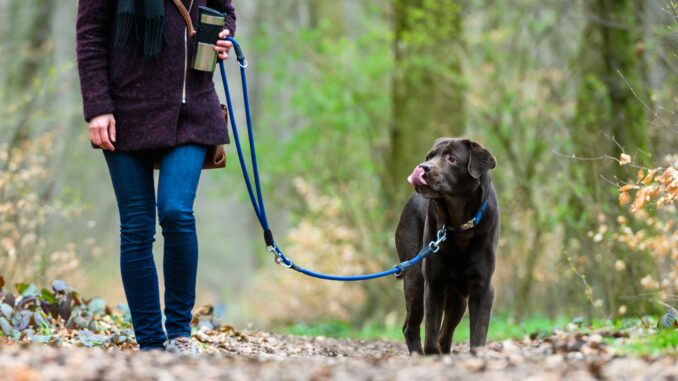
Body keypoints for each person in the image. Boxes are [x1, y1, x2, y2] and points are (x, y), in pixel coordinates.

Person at [75, 0, 236, 353]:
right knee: (136, 226)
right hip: (124, 111)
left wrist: (224, 37)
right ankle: (150, 344)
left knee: (177, 212)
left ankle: (179, 334)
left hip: (190, 109)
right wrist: (98, 107)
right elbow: (89, 37)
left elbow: (224, 11)